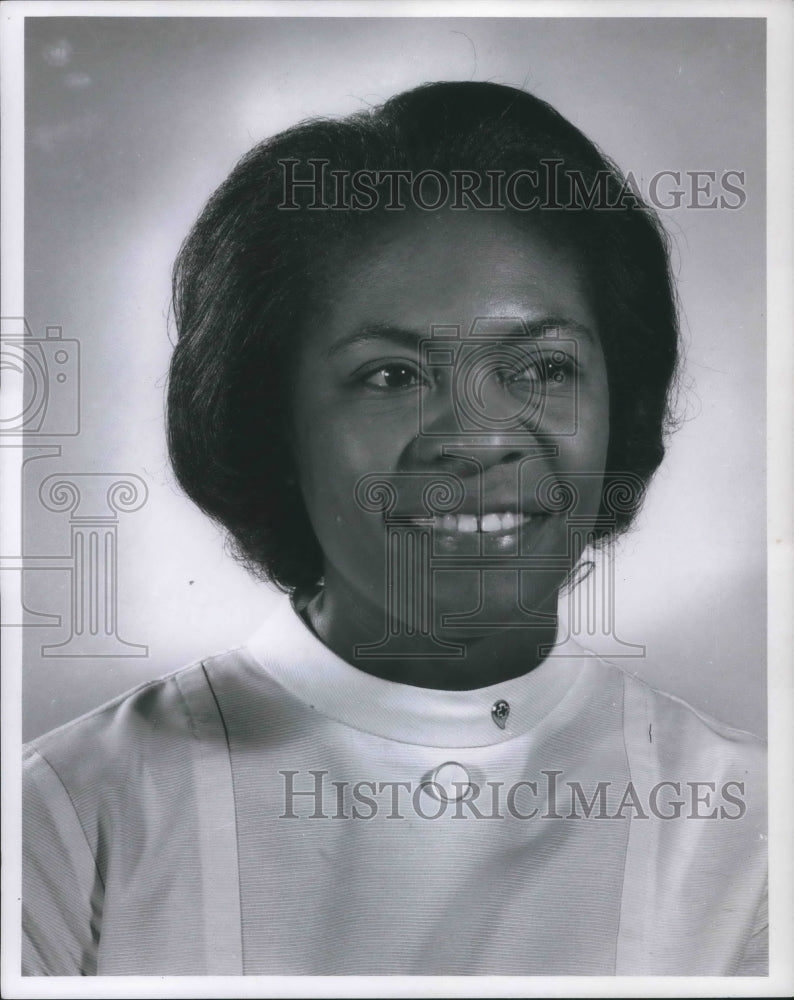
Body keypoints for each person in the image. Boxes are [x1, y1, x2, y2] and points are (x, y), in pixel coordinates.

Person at [22, 81, 766, 976]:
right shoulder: (65, 820)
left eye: (541, 366)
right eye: (391, 377)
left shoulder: (754, 831)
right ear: (272, 423)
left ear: (621, 404)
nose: (481, 440)